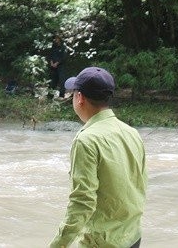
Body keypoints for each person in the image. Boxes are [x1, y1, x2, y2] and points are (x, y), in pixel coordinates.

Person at [50, 67, 147, 248]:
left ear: (79, 98)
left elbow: (82, 202)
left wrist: (58, 245)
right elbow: (140, 185)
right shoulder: (131, 133)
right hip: (132, 236)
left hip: (101, 242)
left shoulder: (86, 140)